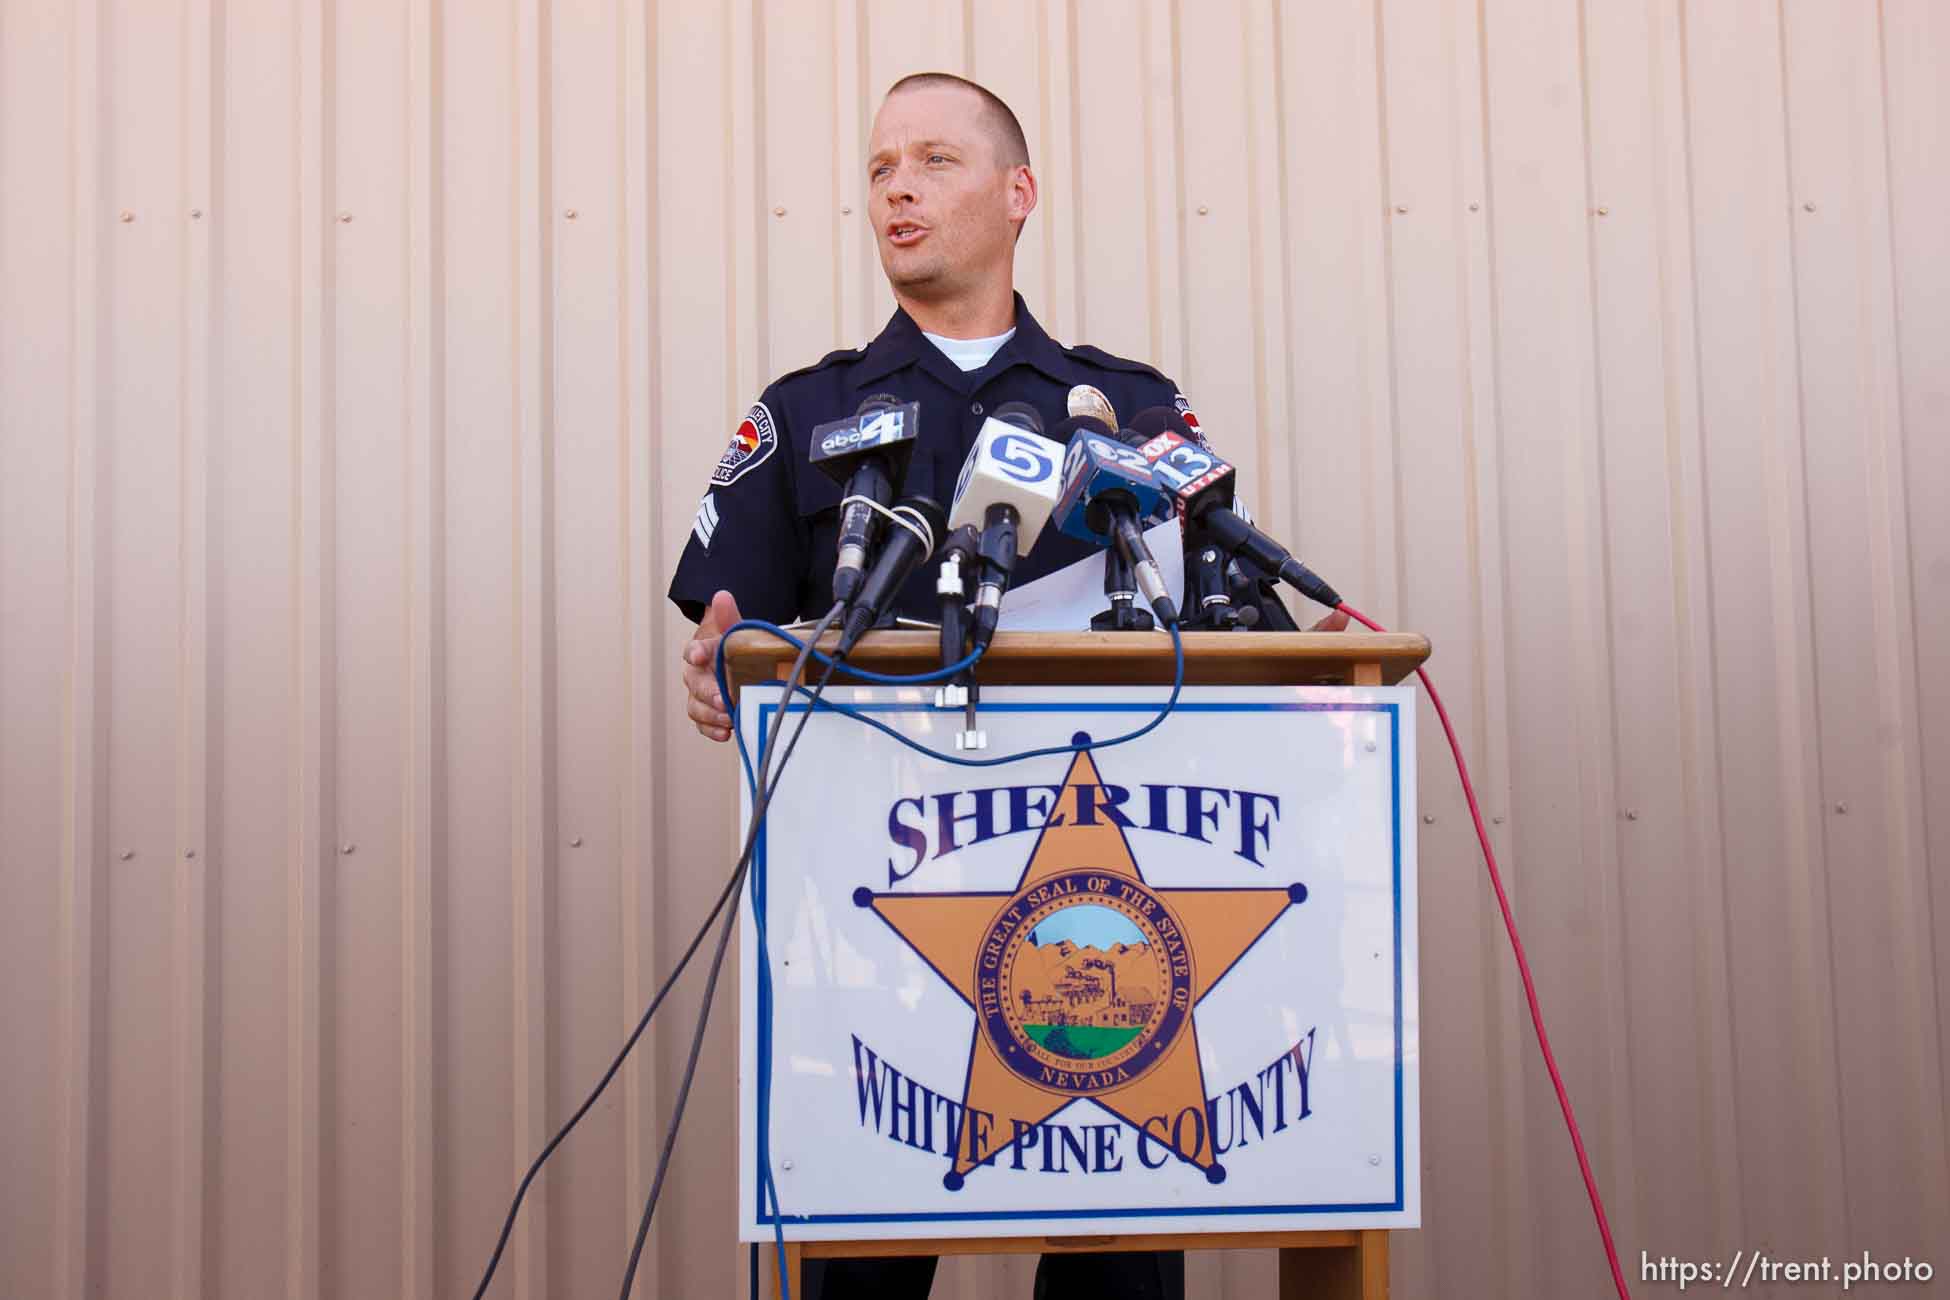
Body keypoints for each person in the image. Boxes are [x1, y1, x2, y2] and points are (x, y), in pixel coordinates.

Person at [667, 71, 1331, 1300]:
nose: (898, 190)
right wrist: (720, 666)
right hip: (879, 914)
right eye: (879, 170)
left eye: (932, 161)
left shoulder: (1123, 403)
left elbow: (1236, 620)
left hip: (1104, 913)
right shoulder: (807, 412)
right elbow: (734, 632)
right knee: (863, 1267)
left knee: (1116, 1268)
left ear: (1018, 193)